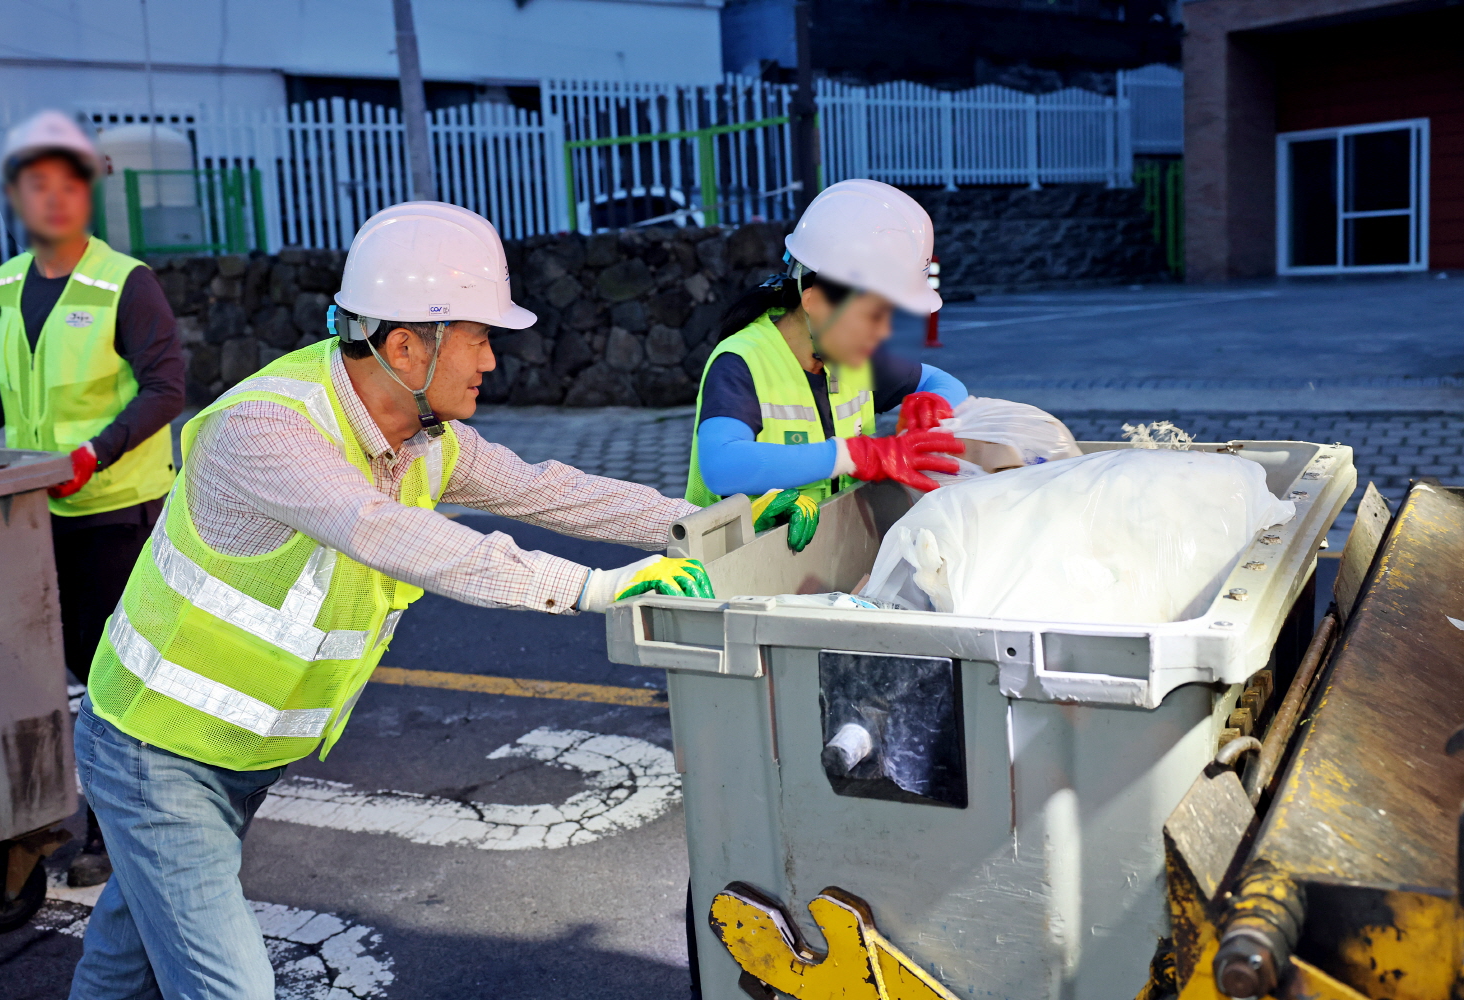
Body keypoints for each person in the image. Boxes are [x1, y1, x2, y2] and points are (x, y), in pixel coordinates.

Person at [67, 200, 713, 1000]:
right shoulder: (269, 429)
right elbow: (383, 532)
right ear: (407, 344)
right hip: (154, 748)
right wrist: (593, 587)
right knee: (230, 987)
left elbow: (550, 491)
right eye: (479, 338)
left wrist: (702, 525)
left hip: (244, 753)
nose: (492, 362)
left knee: (125, 959)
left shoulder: (425, 436)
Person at [0, 110, 185, 888]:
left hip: (111, 509)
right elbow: (4, 387)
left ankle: (113, 833)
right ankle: (44, 809)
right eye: (37, 186)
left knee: (112, 678)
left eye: (67, 185)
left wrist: (95, 453)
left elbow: (167, 386)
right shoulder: (5, 285)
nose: (53, 200)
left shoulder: (126, 283)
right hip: (24, 516)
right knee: (34, 671)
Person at [686, 179, 969, 551]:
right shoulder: (742, 361)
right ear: (816, 302)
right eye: (872, 316)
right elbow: (723, 466)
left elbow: (944, 384)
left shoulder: (854, 354)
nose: (883, 334)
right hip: (733, 568)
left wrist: (934, 403)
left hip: (823, 554)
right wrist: (856, 454)